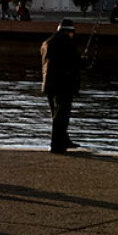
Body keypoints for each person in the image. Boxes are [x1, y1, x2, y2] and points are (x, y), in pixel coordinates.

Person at [41, 19, 83, 154]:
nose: (73, 36)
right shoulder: (67, 43)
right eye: (72, 33)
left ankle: (64, 140)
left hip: (49, 84)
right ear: (68, 32)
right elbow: (73, 62)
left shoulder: (47, 43)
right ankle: (56, 145)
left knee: (56, 114)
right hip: (63, 84)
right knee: (61, 116)